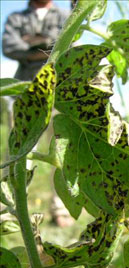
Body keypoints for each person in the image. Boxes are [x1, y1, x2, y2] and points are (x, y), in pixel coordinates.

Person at [2, 0, 73, 227]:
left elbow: (67, 42)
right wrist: (47, 45)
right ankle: (9, 207)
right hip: (24, 92)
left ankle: (60, 209)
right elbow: (9, 46)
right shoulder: (16, 18)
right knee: (18, 151)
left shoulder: (64, 14)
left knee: (60, 153)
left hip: (57, 92)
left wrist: (31, 44)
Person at [2, 0, 69, 81]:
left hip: (58, 79)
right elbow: (9, 47)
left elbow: (70, 46)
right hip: (25, 79)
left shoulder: (66, 15)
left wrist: (30, 41)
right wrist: (50, 50)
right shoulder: (16, 17)